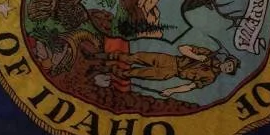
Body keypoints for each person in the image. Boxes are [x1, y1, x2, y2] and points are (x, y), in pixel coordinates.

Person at [98, 43, 239, 97]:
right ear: (227, 60)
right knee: (133, 58)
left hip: (170, 73)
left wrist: (171, 91)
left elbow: (189, 87)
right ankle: (100, 56)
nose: (227, 67)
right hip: (169, 59)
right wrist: (197, 56)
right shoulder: (208, 53)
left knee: (132, 73)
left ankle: (106, 68)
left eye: (230, 69)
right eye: (229, 64)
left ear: (227, 72)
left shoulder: (210, 78)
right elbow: (182, 48)